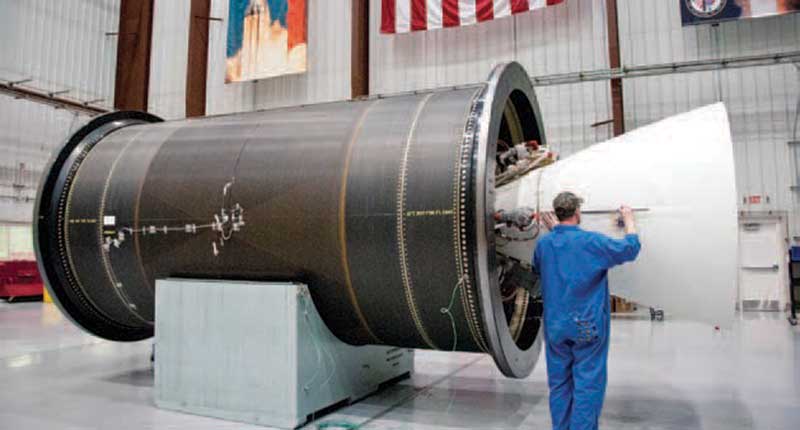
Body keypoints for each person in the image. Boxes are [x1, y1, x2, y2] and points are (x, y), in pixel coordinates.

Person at [533, 191, 641, 430]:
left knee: (559, 384)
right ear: (577, 212)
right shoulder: (593, 243)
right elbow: (631, 248)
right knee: (587, 384)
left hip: (555, 327)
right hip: (586, 326)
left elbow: (542, 267)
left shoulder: (544, 245)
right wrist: (629, 220)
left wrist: (555, 234)